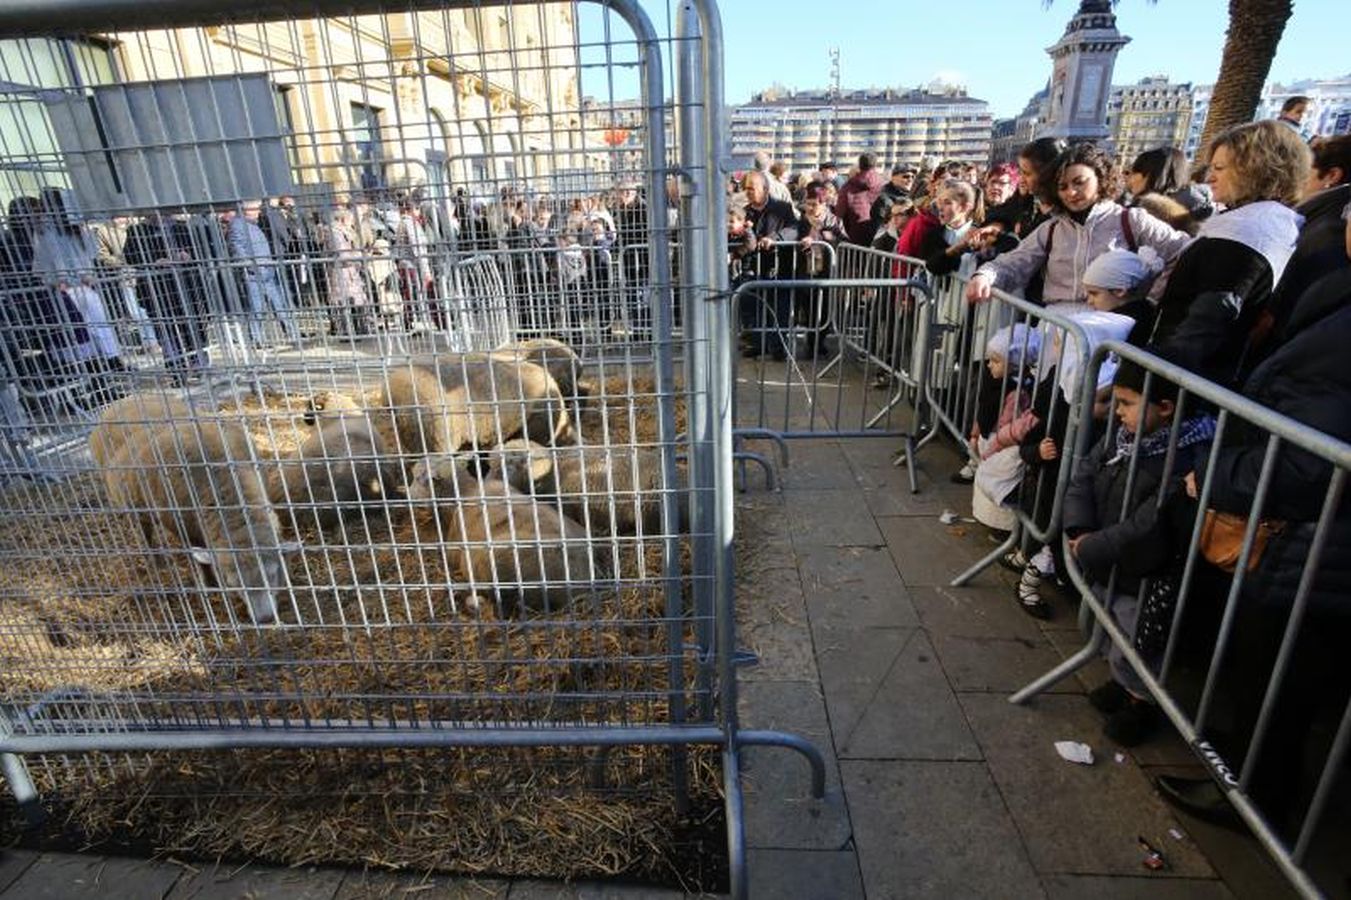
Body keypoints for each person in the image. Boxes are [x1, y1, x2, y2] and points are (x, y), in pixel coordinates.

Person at [1065, 358, 1216, 746]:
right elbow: (1083, 477)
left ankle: (1141, 701)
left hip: (1143, 572)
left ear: (1165, 407)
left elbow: (1148, 524)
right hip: (1106, 557)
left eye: (1127, 403)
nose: (1118, 412)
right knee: (1109, 625)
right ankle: (1123, 684)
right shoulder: (1120, 437)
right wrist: (1079, 528)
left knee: (1139, 640)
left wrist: (1092, 545)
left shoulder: (1187, 459)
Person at [1148, 120, 1309, 385]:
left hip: (1182, 381)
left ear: (1257, 169)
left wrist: (1154, 380)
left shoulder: (1247, 231)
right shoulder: (1264, 224)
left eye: (1220, 168)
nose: (1209, 177)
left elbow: (1206, 324)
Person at [1007, 309, 1136, 619]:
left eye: (1117, 401)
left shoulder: (1116, 429)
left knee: (1059, 550)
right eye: (1104, 401)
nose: (1112, 409)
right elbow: (1026, 446)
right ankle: (1027, 584)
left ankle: (1053, 573)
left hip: (1083, 506)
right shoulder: (1060, 415)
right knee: (1046, 550)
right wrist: (1038, 452)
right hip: (1051, 499)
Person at [965, 142, 1192, 313]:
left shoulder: (1132, 220)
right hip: (1057, 326)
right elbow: (1015, 261)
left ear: (1101, 178)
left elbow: (1183, 250)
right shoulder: (1051, 229)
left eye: (1079, 182)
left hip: (1108, 332)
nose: (1071, 193)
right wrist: (985, 275)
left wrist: (1150, 301)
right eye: (1063, 186)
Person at [30, 188, 125, 381]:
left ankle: (103, 371)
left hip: (71, 286)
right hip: (75, 286)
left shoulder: (52, 228)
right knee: (93, 329)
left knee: (88, 332)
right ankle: (106, 369)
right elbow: (76, 255)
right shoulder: (54, 228)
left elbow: (47, 260)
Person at [970, 323, 1042, 533]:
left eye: (996, 361)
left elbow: (1008, 424)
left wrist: (993, 446)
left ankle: (1003, 529)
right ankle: (987, 520)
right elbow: (983, 407)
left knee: (998, 486)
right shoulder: (993, 382)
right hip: (990, 438)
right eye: (989, 360)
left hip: (1001, 444)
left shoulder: (1017, 392)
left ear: (1015, 364)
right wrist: (975, 432)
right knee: (986, 487)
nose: (989, 365)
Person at [735, 170, 800, 359]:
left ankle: (778, 347)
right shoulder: (745, 211)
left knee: (779, 308)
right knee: (751, 305)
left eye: (751, 188)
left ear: (765, 189)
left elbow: (794, 229)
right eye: (746, 188)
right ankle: (757, 343)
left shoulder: (782, 208)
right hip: (752, 267)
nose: (748, 192)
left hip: (778, 267)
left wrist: (775, 239)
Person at [228, 199, 301, 347]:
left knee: (279, 305)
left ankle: (293, 335)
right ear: (247, 210)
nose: (259, 211)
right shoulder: (238, 226)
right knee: (257, 308)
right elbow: (238, 250)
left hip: (267, 271)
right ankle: (257, 339)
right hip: (254, 275)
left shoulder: (252, 224)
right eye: (256, 209)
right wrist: (253, 268)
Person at [1081, 248, 1165, 344]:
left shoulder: (1117, 325)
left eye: (1094, 294)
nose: (1089, 301)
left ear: (1120, 291)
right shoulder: (1147, 310)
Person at [1124, 147, 1209, 235]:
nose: (1129, 178)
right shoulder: (1203, 214)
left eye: (1133, 172)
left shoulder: (1138, 215)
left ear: (1151, 175)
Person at [835, 152, 885, 246]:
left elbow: (839, 212)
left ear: (860, 165)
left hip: (855, 233)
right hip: (879, 233)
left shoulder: (849, 186)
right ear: (875, 165)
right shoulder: (882, 184)